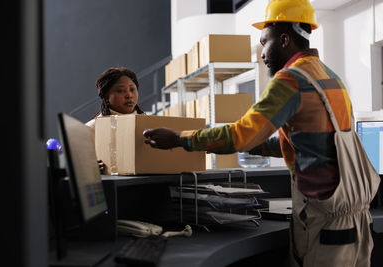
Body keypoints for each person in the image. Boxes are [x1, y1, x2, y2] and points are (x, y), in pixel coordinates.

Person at [143, 0, 375, 266]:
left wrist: (180, 139)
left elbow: (241, 134)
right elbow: (312, 144)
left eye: (265, 42)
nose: (262, 53)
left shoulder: (291, 79)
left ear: (285, 39)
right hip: (356, 220)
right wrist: (257, 146)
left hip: (324, 223)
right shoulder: (331, 78)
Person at [86, 67, 145, 173]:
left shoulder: (149, 125)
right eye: (120, 90)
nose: (129, 95)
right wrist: (87, 167)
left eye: (132, 89)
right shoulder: (89, 129)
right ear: (106, 95)